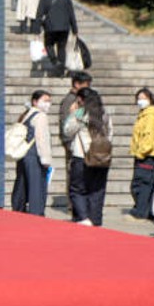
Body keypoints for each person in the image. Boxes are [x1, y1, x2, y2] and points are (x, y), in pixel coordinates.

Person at [63, 87, 110, 226]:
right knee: (97, 190)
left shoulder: (80, 113)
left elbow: (68, 131)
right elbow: (110, 134)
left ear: (81, 100)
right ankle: (95, 220)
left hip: (82, 156)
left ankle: (83, 217)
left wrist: (73, 113)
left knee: (77, 189)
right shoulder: (104, 114)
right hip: (102, 157)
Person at [11, 90, 53, 216]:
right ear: (35, 101)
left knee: (22, 186)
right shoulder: (41, 116)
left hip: (24, 155)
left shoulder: (26, 115)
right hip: (35, 156)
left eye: (49, 101)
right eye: (45, 100)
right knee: (36, 188)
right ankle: (36, 214)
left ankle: (18, 211)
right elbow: (42, 139)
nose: (48, 104)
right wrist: (46, 160)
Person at [59, 70, 92, 206]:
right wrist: (69, 144)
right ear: (77, 84)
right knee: (74, 177)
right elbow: (66, 124)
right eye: (86, 85)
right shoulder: (70, 100)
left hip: (83, 144)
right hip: (74, 145)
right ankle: (73, 206)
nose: (88, 88)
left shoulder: (80, 99)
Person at [129, 87, 154, 223]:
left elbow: (149, 137)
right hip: (144, 153)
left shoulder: (150, 116)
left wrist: (141, 153)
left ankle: (141, 212)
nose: (140, 101)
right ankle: (148, 211)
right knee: (146, 184)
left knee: (141, 184)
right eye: (139, 98)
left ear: (150, 99)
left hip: (147, 154)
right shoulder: (144, 114)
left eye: (143, 98)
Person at [36, 0, 77, 76]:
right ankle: (61, 72)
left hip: (50, 27)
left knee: (48, 45)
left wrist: (37, 29)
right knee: (61, 48)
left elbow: (39, 14)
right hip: (64, 28)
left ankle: (55, 62)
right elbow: (71, 14)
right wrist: (75, 29)